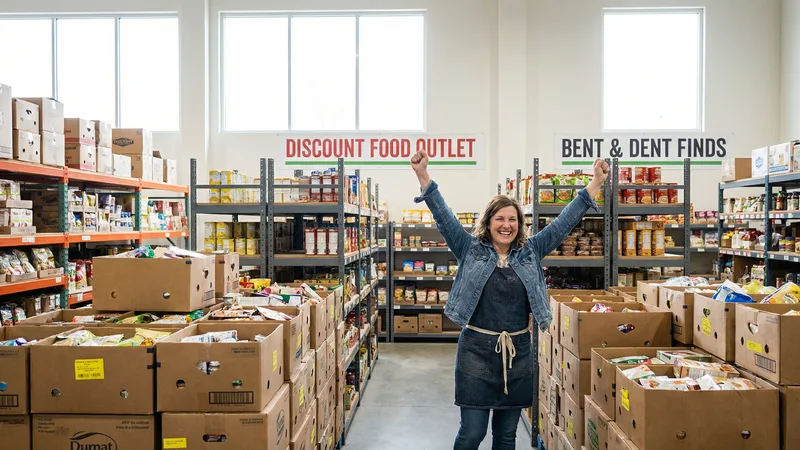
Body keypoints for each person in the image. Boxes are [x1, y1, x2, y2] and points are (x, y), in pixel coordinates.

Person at [410, 151, 609, 450]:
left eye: (513, 219)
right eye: (500, 219)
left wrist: (595, 184)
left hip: (519, 353)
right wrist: (422, 175)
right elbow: (443, 216)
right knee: (472, 433)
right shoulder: (469, 249)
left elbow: (564, 222)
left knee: (506, 436)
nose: (507, 225)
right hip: (476, 351)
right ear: (488, 222)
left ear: (520, 224)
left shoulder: (531, 250)